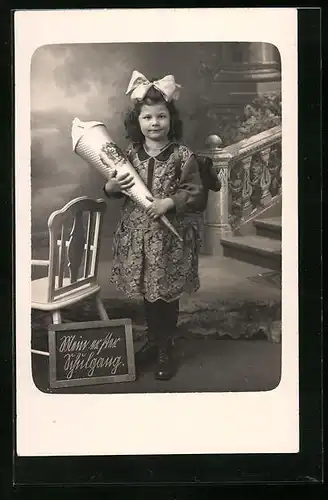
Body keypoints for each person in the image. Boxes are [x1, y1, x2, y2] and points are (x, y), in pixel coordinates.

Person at [100, 70, 205, 380]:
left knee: (165, 294)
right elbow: (114, 186)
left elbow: (195, 191)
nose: (155, 123)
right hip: (139, 238)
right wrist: (111, 187)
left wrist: (169, 202)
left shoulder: (182, 156)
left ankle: (165, 346)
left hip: (169, 240)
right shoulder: (128, 155)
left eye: (161, 116)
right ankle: (152, 338)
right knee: (149, 292)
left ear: (171, 119)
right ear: (138, 122)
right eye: (148, 117)